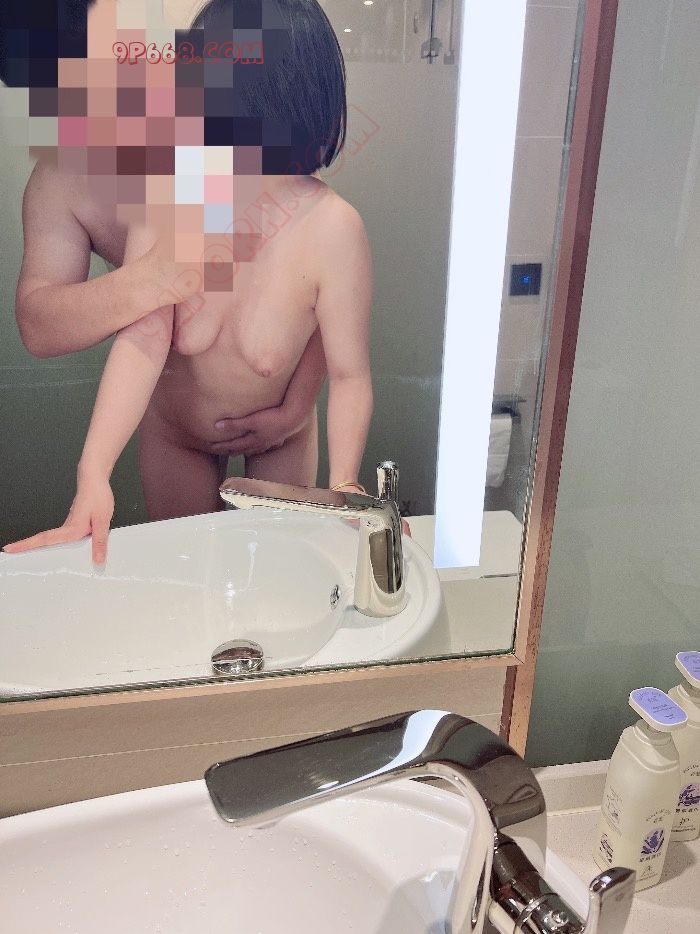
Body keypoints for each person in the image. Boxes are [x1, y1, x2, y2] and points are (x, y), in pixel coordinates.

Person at [3, 0, 374, 563]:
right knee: (185, 575)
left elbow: (344, 358)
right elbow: (136, 337)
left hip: (281, 434)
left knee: (280, 573)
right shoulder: (167, 198)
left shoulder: (331, 226)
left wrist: (340, 478)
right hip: (175, 433)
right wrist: (93, 473)